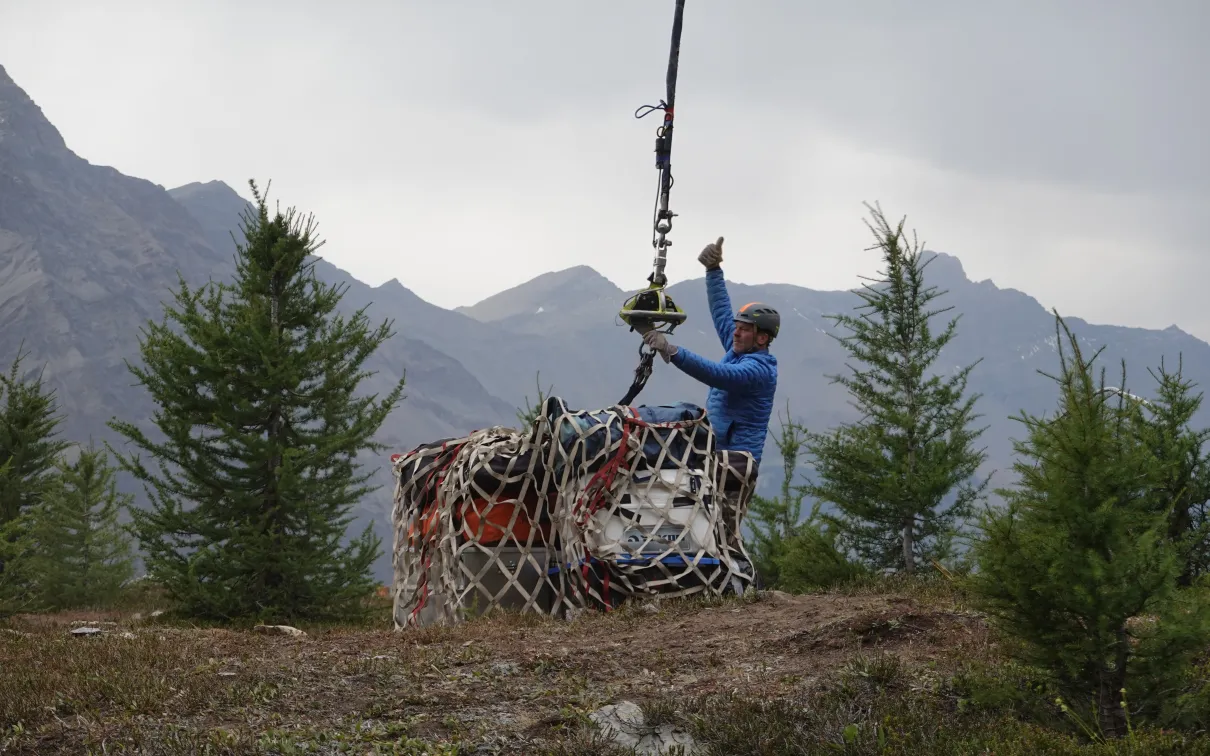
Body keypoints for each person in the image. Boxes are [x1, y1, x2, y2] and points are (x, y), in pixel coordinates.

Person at [641, 237, 779, 467]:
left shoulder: (759, 370)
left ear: (762, 338)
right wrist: (713, 270)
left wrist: (672, 350)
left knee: (681, 415)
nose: (735, 333)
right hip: (716, 452)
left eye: (743, 329)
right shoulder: (740, 348)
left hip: (735, 463)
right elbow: (721, 312)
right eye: (736, 328)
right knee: (679, 412)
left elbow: (718, 374)